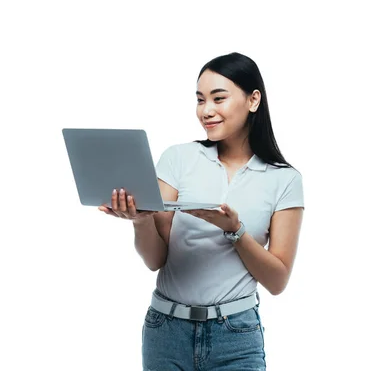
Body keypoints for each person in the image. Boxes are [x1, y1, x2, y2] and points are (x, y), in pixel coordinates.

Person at [98, 52, 304, 370]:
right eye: (200, 100)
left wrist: (235, 231)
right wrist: (141, 221)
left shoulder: (284, 179)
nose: (206, 111)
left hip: (236, 335)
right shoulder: (178, 159)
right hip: (166, 331)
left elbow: (277, 281)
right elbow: (156, 259)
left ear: (253, 100)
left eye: (218, 98)